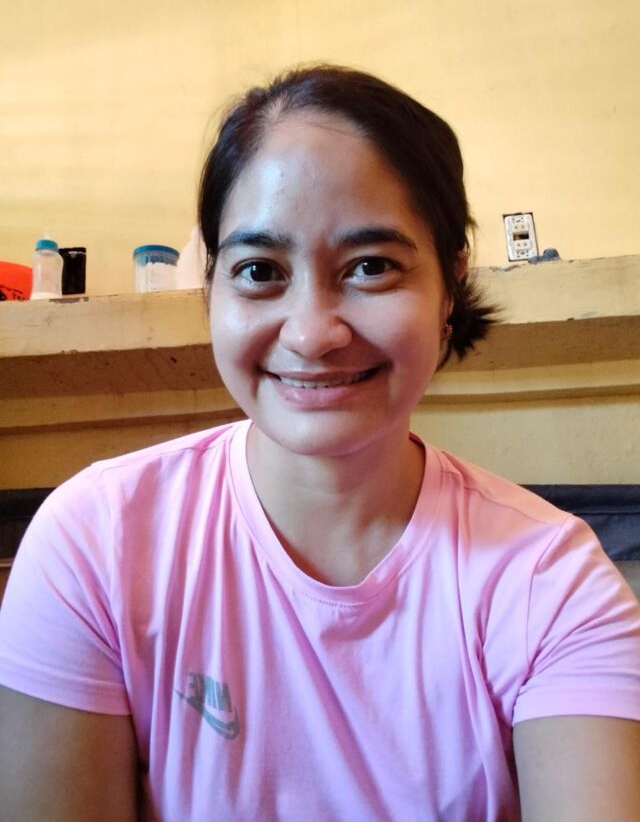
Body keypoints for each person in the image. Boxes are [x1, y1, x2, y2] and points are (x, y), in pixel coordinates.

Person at [1, 65, 639, 822]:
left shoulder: (551, 583)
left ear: (449, 289)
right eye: (259, 271)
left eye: (372, 267)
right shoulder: (95, 542)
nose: (311, 333)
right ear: (213, 289)